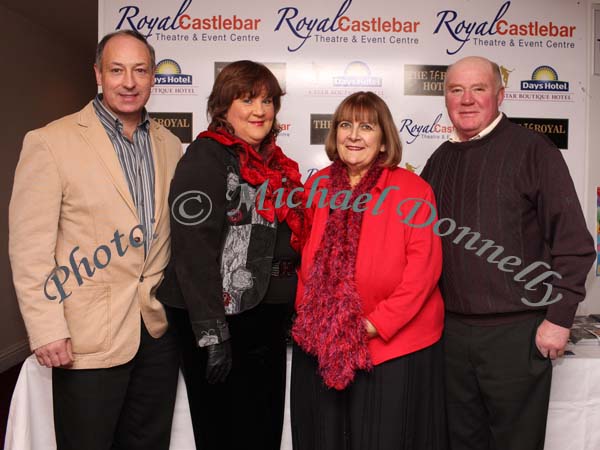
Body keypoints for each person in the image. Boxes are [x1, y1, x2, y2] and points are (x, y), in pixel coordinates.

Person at [8, 30, 183, 450]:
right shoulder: (51, 142)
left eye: (140, 70)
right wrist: (47, 329)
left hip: (155, 333)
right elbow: (30, 248)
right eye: (117, 70)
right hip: (85, 336)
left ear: (153, 77)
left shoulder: (170, 145)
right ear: (98, 75)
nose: (129, 81)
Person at [420, 56, 595, 450]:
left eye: (478, 89)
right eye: (455, 90)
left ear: (500, 95)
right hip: (449, 335)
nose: (466, 99)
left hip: (517, 335)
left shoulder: (534, 150)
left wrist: (560, 318)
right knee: (459, 442)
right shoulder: (438, 160)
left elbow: (575, 244)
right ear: (445, 98)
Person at [157, 60, 306, 450]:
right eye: (247, 99)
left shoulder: (272, 162)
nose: (260, 110)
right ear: (223, 106)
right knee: (226, 433)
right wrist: (212, 335)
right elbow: (193, 253)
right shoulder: (206, 157)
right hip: (223, 320)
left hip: (262, 318)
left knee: (263, 431)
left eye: (268, 100)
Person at [291, 91, 447, 450]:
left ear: (383, 139)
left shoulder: (412, 189)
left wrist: (372, 325)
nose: (354, 135)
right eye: (345, 125)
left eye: (366, 126)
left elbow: (423, 272)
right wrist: (314, 320)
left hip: (394, 346)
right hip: (324, 343)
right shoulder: (317, 187)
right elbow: (306, 261)